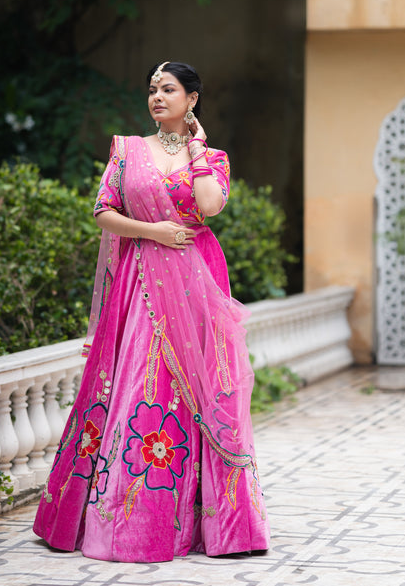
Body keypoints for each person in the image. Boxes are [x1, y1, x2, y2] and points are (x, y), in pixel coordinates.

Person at [33, 61, 270, 562]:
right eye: (152, 90)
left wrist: (198, 151)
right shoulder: (127, 151)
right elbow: (102, 210)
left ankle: (214, 524)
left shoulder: (215, 157)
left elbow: (209, 205)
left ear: (192, 99)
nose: (157, 97)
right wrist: (153, 232)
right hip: (141, 284)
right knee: (143, 384)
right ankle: (129, 518)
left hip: (196, 286)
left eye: (168, 89)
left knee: (202, 390)